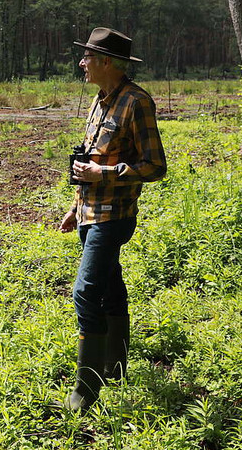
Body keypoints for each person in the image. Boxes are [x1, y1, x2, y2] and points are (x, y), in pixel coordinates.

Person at [58, 27, 166, 411]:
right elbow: (89, 158)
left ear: (107, 62)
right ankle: (115, 368)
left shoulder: (137, 102)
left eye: (87, 57)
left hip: (113, 216)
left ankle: (85, 391)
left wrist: (103, 174)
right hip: (89, 213)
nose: (81, 63)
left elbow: (155, 166)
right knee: (109, 287)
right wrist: (75, 207)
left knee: (85, 292)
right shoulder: (99, 101)